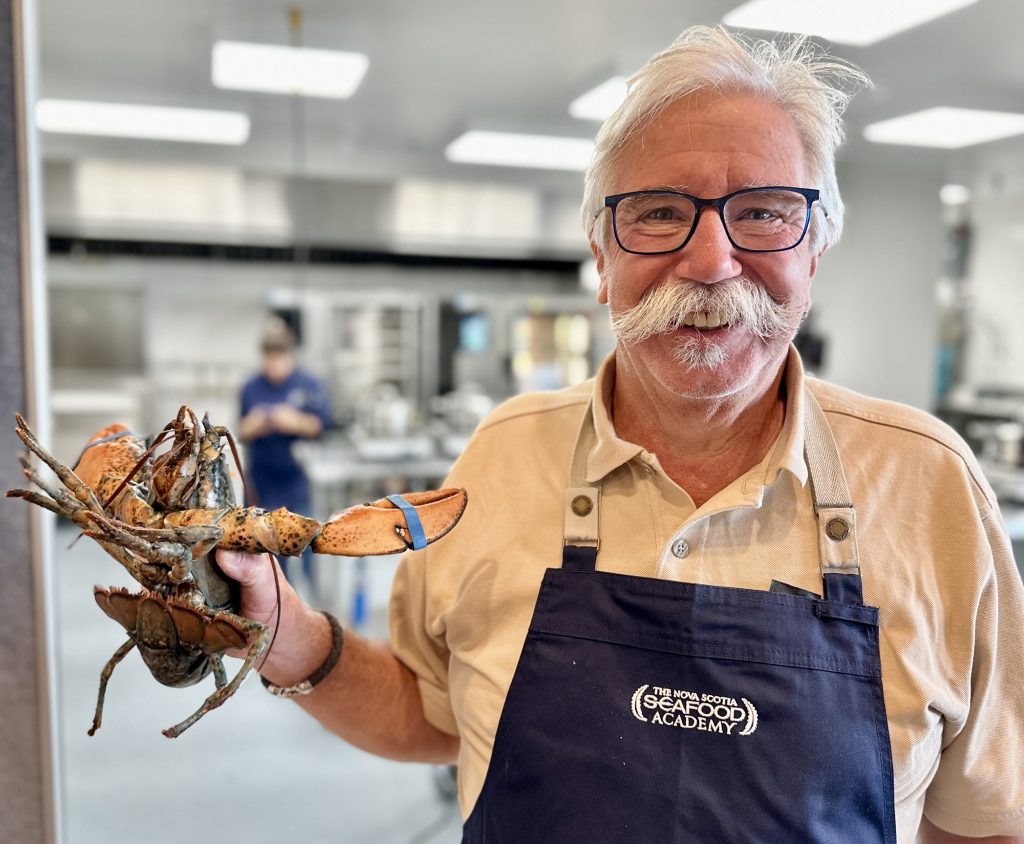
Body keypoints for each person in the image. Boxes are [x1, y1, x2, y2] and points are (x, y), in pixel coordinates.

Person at [218, 26, 1024, 843]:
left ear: (813, 250)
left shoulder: (932, 490)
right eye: (660, 212)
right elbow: (427, 711)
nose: (712, 259)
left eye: (763, 213)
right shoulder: (503, 458)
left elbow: (984, 823)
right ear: (602, 255)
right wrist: (280, 626)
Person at [237, 316, 331, 586]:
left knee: (306, 550)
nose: (274, 365)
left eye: (279, 358)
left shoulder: (308, 384)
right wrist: (254, 425)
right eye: (269, 358)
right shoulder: (250, 387)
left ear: (290, 354)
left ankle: (312, 607)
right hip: (261, 485)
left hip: (297, 483)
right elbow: (240, 430)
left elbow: (321, 425)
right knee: (267, 563)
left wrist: (293, 421)